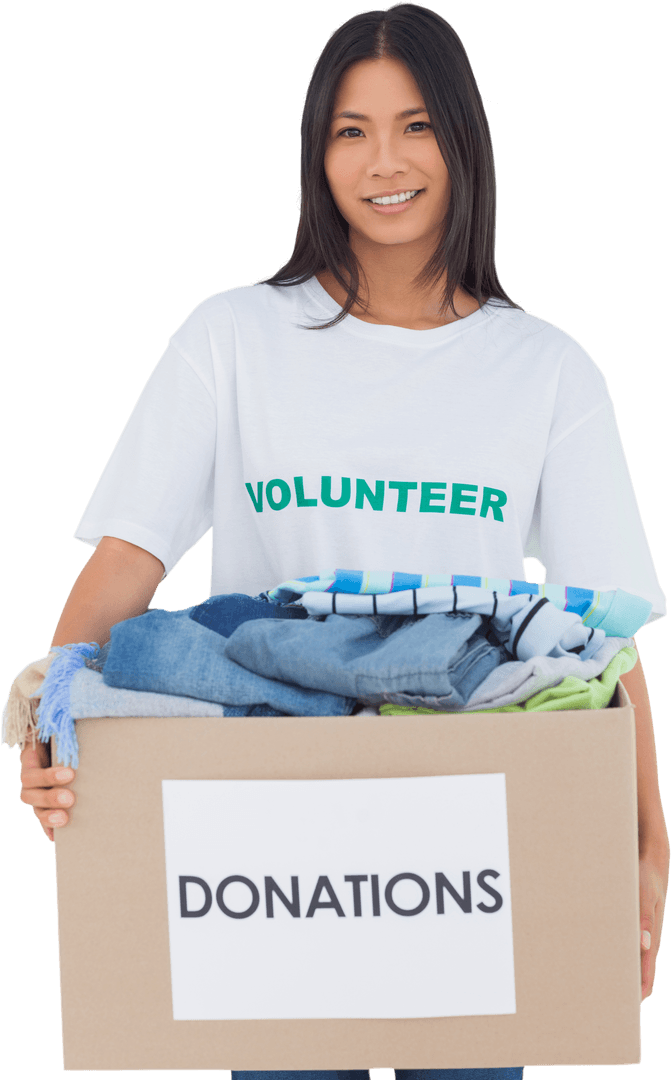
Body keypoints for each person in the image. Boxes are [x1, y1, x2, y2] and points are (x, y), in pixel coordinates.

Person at [17, 3, 668, 1077]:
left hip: (475, 827)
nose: (384, 162)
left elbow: (605, 638)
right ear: (317, 156)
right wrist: (51, 724)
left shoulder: (547, 369)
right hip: (270, 833)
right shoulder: (232, 339)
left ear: (461, 143)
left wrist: (648, 846)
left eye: (413, 126)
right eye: (349, 131)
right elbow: (127, 567)